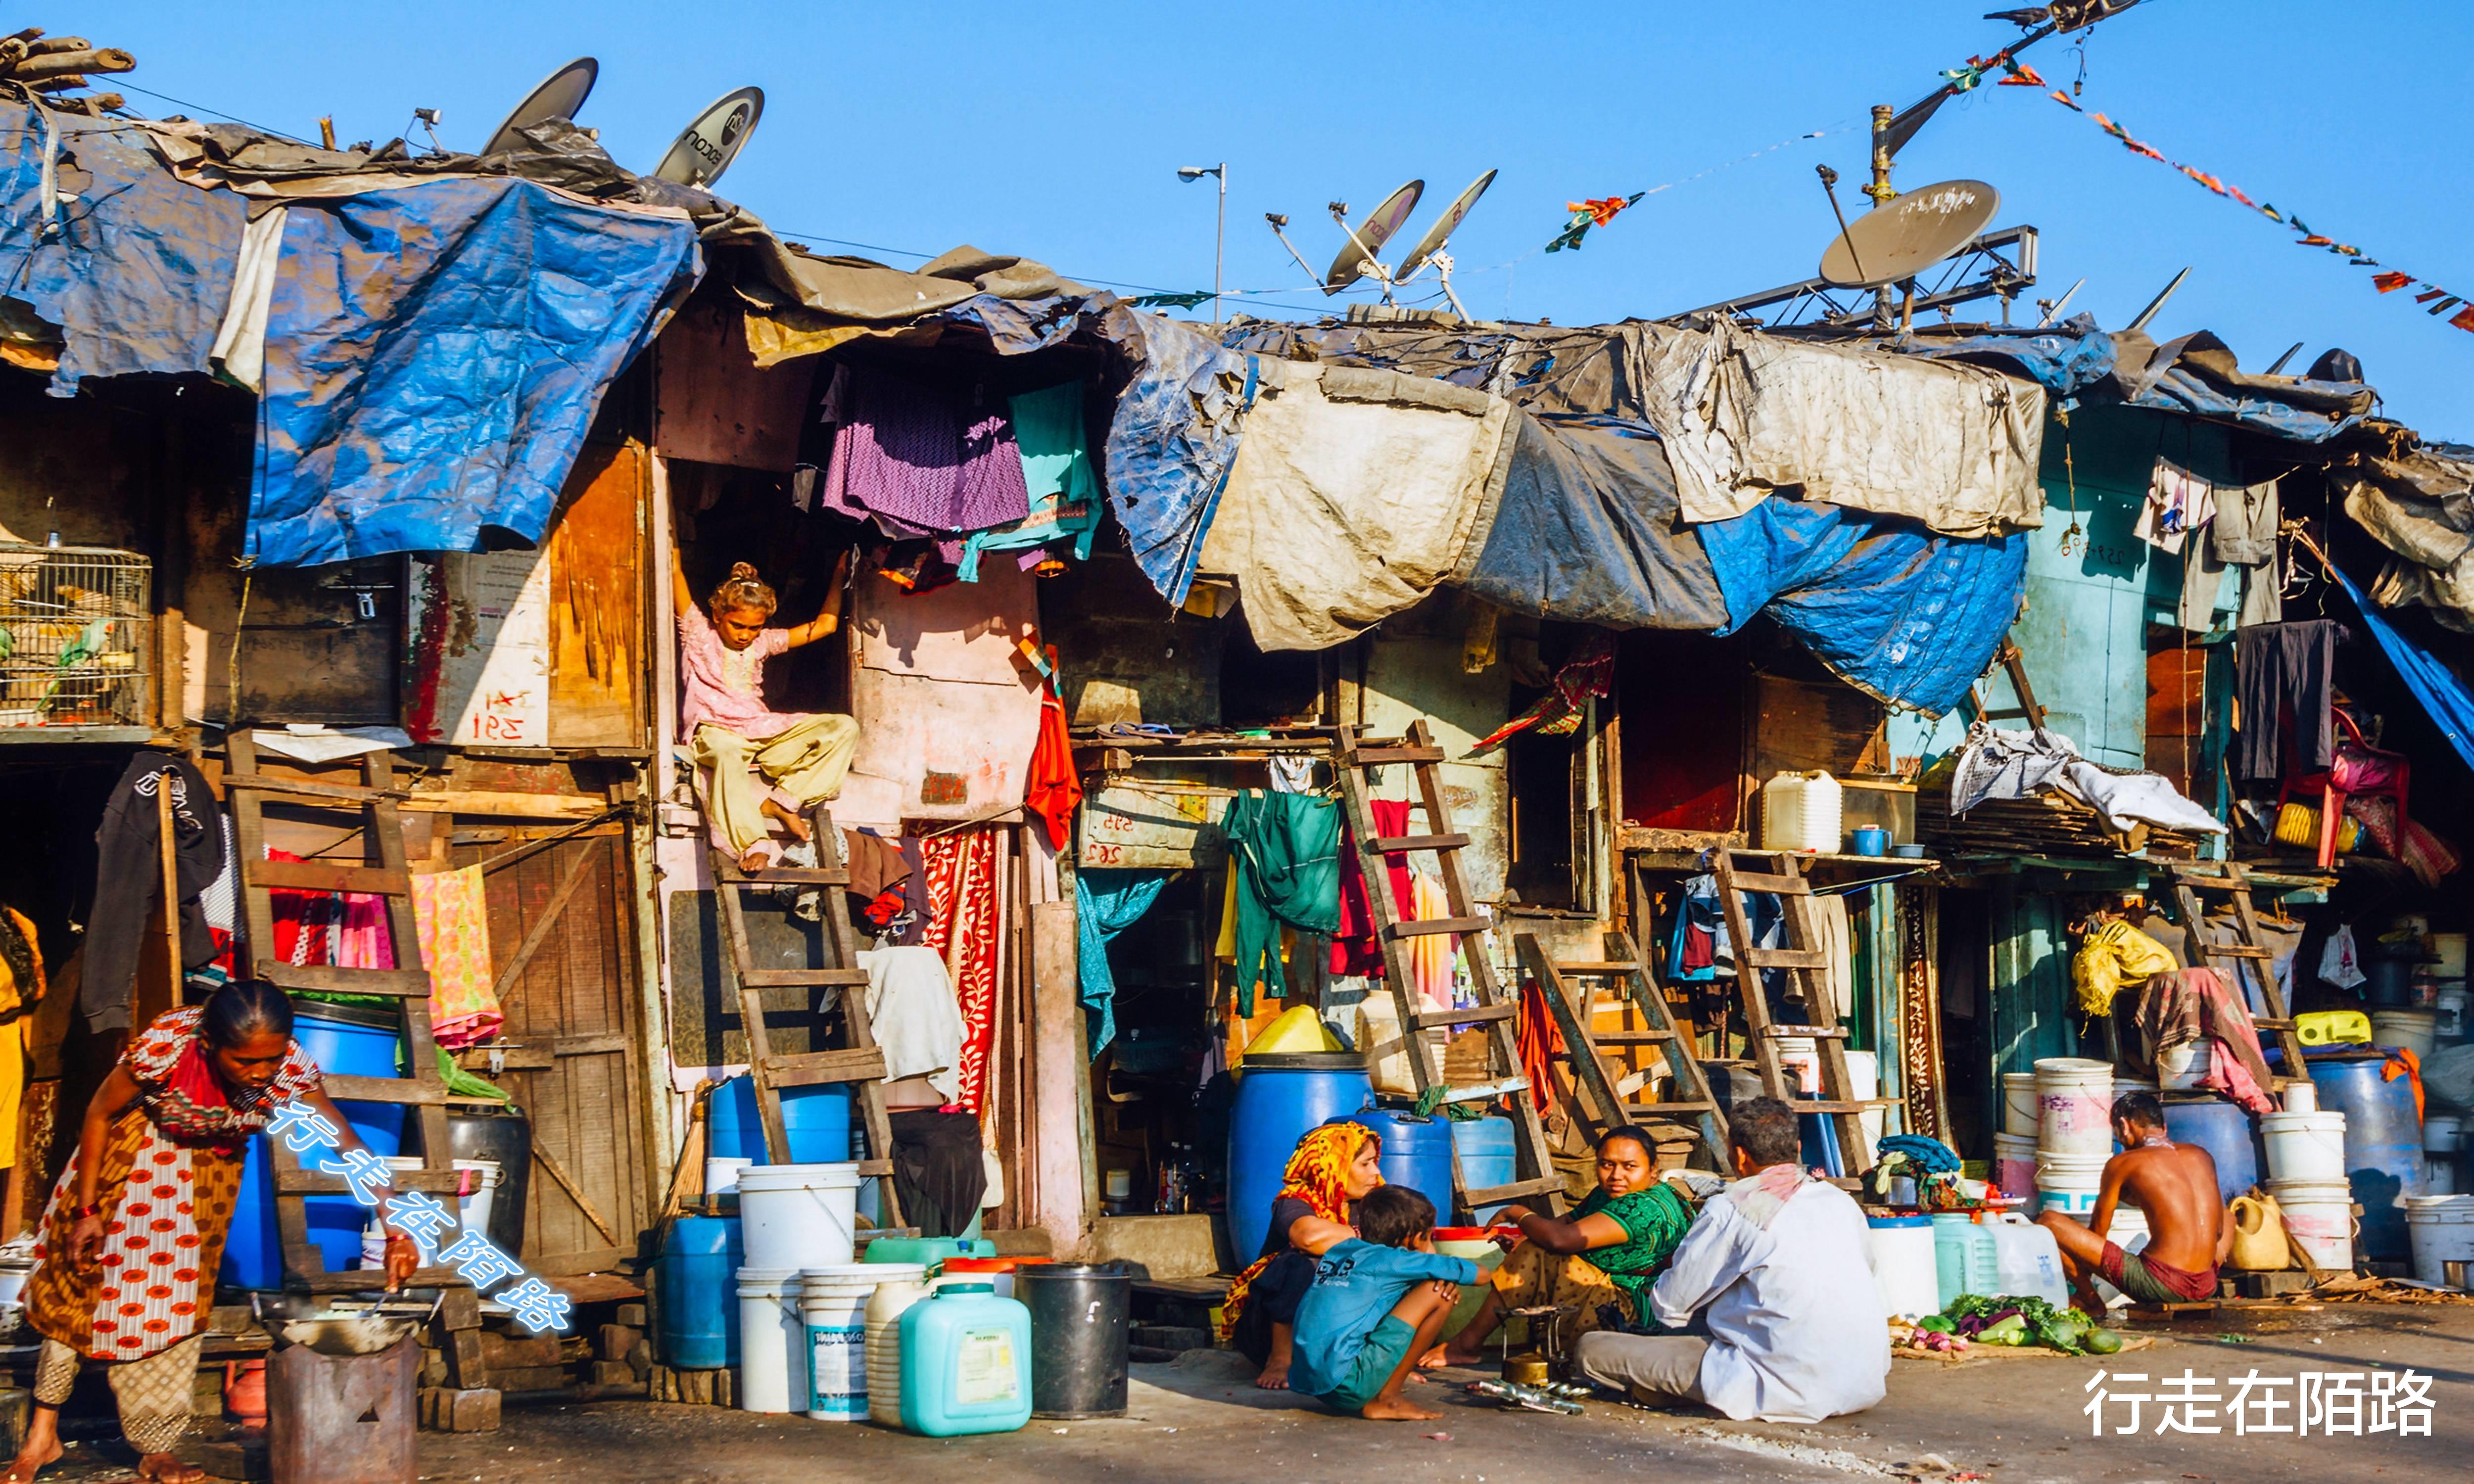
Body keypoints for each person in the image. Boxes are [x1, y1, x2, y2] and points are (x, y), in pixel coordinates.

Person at [7, 981, 418, 1484]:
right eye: (246, 1062)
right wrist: (88, 1209)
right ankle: (43, 1435)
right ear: (208, 1044)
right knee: (78, 1286)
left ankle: (156, 1447)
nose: (262, 1072)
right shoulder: (166, 1048)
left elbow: (347, 1142)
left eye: (271, 1058)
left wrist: (395, 1224)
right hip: (128, 1157)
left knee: (174, 1303)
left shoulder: (290, 1069)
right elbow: (99, 1113)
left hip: (206, 1180)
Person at [1572, 1097, 1889, 1424]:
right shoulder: (1839, 1201)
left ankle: (1674, 1391)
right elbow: (1866, 1269)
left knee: (1591, 1350)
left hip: (1783, 1387)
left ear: (1739, 1155)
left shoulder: (1734, 1207)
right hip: (1862, 1383)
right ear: (1797, 1148)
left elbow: (1669, 1305)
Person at [1420, 1124, 1695, 1367]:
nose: (1616, 1175)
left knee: (1536, 1252)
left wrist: (1517, 1213)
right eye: (1606, 1164)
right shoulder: (1610, 1194)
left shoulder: (1644, 1207)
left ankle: (1467, 1345)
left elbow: (1560, 1239)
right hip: (1615, 1296)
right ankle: (1470, 1344)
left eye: (1629, 1167)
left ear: (1653, 1169)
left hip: (1634, 1312)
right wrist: (1526, 1238)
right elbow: (1564, 1224)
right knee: (1532, 1249)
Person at [670, 549, 859, 873]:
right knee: (728, 753)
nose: (745, 635)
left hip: (760, 730)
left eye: (754, 628)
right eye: (738, 625)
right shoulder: (699, 634)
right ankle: (754, 844)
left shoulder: (763, 643)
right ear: (717, 615)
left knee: (844, 727)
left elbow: (826, 626)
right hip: (716, 733)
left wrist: (839, 573)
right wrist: (672, 541)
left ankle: (784, 801)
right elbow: (675, 570)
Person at [2035, 1089, 2232, 1315]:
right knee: (2229, 1215)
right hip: (2206, 1284)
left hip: (2161, 1285)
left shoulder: (2123, 1163)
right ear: (2164, 1127)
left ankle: (2089, 1301)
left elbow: (2099, 1233)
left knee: (2049, 1221)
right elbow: (2218, 1231)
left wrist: (2081, 1278)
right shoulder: (2201, 1155)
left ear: (2125, 1126)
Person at [1288, 1184, 1474, 1422]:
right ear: (1414, 1239)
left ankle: (1380, 1383)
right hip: (1348, 1384)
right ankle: (1388, 1399)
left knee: (1405, 1290)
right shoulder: (1395, 1260)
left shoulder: (1343, 1251)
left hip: (1312, 1382)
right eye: (1428, 1236)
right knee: (1436, 1292)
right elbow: (1480, 1275)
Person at [1220, 1121, 1383, 1389]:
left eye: (1374, 1162)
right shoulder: (1295, 1201)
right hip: (1266, 1324)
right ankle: (1281, 1358)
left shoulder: (1372, 1203)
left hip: (1336, 1324)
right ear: (1334, 1165)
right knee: (1307, 1262)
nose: (1375, 1172)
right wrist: (1365, 1234)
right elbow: (1308, 1238)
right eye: (1365, 1164)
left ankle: (1382, 1359)